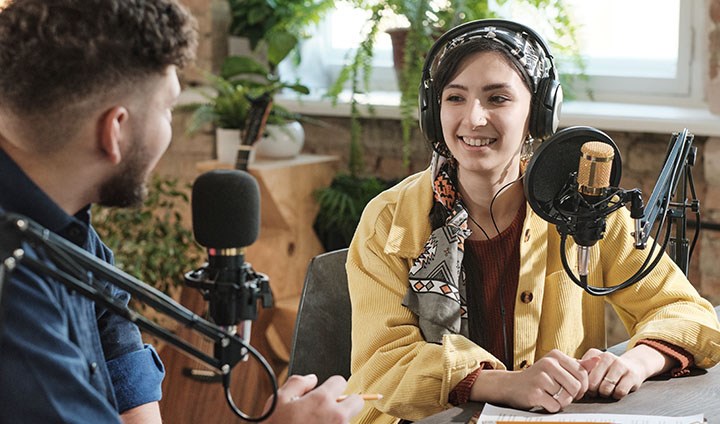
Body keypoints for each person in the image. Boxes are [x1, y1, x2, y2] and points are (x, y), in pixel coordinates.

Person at [0, 1, 362, 423]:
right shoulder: (14, 296)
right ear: (114, 130)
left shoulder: (64, 219)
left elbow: (114, 335)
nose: (170, 125)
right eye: (168, 109)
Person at [344, 18, 720, 423]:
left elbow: (686, 312)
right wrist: (504, 384)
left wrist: (636, 363)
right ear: (433, 112)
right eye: (455, 98)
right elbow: (382, 363)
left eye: (497, 99)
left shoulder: (584, 209)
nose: (473, 119)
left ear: (538, 115)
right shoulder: (388, 220)